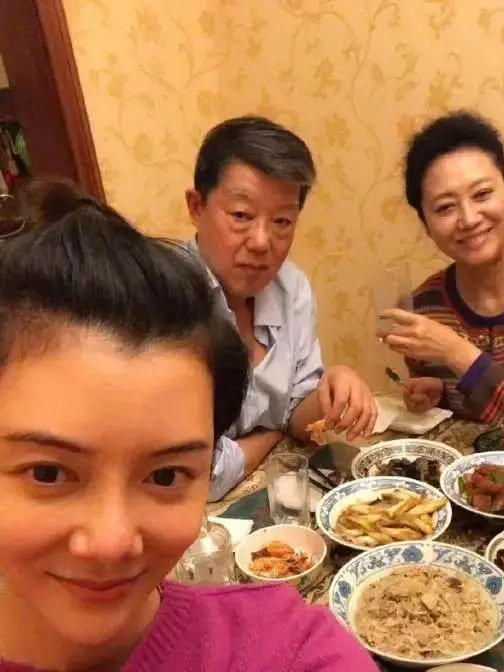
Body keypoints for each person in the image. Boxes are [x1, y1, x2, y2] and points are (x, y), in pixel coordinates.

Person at [0, 179, 378, 672]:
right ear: (197, 207)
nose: (112, 542)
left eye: (165, 475)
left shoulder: (286, 647)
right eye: (48, 473)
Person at [185, 116, 377, 500]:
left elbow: (299, 417)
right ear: (196, 206)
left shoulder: (292, 288)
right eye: (241, 216)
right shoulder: (162, 302)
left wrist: (330, 392)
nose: (261, 242)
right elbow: (201, 473)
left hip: (274, 497)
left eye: (282, 221)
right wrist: (273, 433)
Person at [380, 111, 504, 443]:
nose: (469, 219)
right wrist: (439, 394)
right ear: (426, 225)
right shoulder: (426, 309)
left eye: (482, 194)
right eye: (445, 207)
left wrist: (456, 352)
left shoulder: (439, 336)